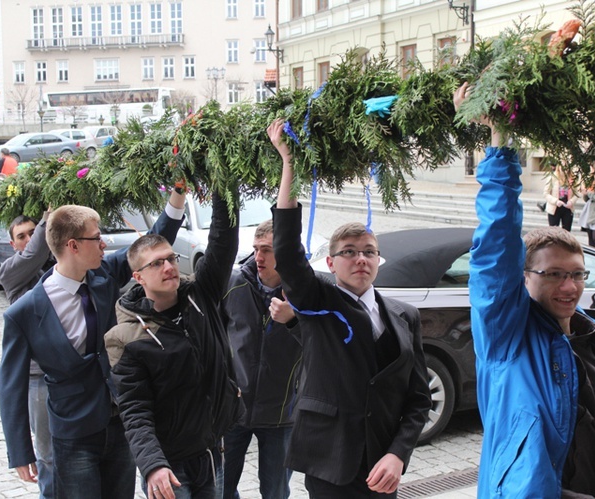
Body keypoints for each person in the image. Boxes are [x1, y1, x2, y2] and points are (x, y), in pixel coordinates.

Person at [456, 82, 595, 498]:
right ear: (524, 278)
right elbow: (496, 246)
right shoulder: (507, 337)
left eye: (577, 274)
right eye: (553, 274)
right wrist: (500, 145)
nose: (569, 286)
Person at [268, 118, 431, 498]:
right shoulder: (318, 301)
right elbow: (288, 254)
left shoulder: (405, 316)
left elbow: (418, 398)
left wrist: (398, 454)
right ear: (330, 263)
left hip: (381, 464)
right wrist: (288, 163)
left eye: (369, 252)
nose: (361, 259)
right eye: (349, 253)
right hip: (330, 460)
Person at [0, 187, 186, 499]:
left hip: (120, 424)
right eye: (96, 238)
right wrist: (20, 452)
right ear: (72, 245)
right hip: (72, 433)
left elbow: (152, 241)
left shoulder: (103, 277)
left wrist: (178, 194)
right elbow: (11, 385)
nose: (104, 243)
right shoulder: (25, 312)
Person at [104, 189, 242, 499]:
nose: (169, 267)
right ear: (138, 277)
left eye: (171, 258)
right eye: (157, 264)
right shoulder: (125, 339)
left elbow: (222, 243)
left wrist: (222, 181)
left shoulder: (200, 297)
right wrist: (153, 465)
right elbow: (135, 410)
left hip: (210, 452)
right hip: (169, 468)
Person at [221, 220, 301, 499]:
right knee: (220, 489)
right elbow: (215, 334)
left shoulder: (306, 292)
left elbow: (322, 345)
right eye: (256, 249)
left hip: (282, 414)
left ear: (288, 251)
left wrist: (295, 319)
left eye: (267, 250)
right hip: (234, 411)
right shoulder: (233, 283)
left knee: (276, 492)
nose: (258, 257)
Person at [0, 210, 55, 498]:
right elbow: (33, 255)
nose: (30, 239)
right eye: (22, 236)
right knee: (47, 454)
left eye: (34, 232)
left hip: (68, 373)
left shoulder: (58, 263)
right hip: (38, 377)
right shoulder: (11, 271)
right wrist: (49, 216)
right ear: (13, 244)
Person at [543, 163, 577, 232]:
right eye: (563, 167)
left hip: (568, 207)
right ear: (559, 168)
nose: (565, 170)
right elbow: (546, 193)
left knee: (566, 232)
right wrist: (556, 201)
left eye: (567, 168)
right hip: (555, 208)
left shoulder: (572, 179)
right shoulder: (552, 177)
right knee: (554, 232)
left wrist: (571, 201)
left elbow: (577, 193)